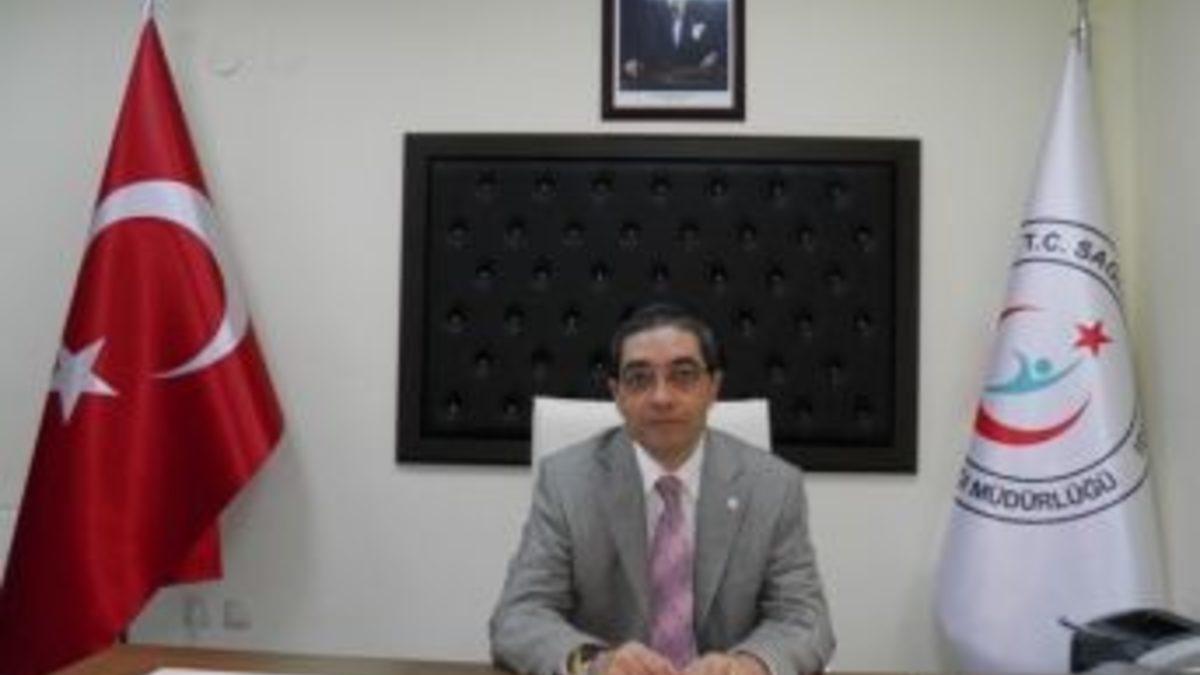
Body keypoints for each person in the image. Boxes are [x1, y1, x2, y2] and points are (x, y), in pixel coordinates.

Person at [489, 304, 834, 675]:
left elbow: (804, 620)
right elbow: (519, 617)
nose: (661, 398)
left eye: (683, 375)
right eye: (639, 379)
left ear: (713, 387)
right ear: (617, 394)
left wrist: (750, 666)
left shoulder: (773, 485)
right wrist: (596, 663)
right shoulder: (566, 482)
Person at [618, 0, 728, 91]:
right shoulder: (642, 7)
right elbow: (627, 41)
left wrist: (715, 54)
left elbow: (720, 44)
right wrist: (629, 59)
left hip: (695, 82)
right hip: (652, 81)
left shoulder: (707, 8)